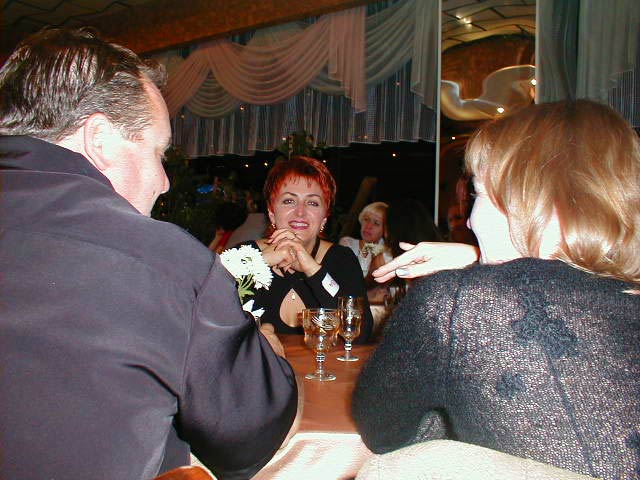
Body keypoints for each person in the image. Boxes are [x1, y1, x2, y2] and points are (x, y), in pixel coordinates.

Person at [0, 28, 297, 480]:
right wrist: (268, 360)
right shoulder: (164, 262)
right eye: (157, 152)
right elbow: (247, 441)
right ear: (99, 139)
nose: (164, 181)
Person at [353, 100, 640, 479]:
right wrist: (475, 258)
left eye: (479, 194)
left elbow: (382, 430)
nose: (470, 221)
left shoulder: (459, 303)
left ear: (540, 201)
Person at [236, 156, 374, 340]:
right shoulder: (246, 254)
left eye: (312, 202)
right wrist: (259, 263)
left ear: (324, 218)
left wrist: (313, 270)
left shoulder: (341, 259)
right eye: (289, 201)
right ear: (271, 213)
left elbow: (360, 335)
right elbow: (208, 315)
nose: (300, 212)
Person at [339, 201, 389, 276]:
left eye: (376, 223)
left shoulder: (387, 254)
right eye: (366, 219)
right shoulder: (347, 243)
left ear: (385, 230)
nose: (368, 226)